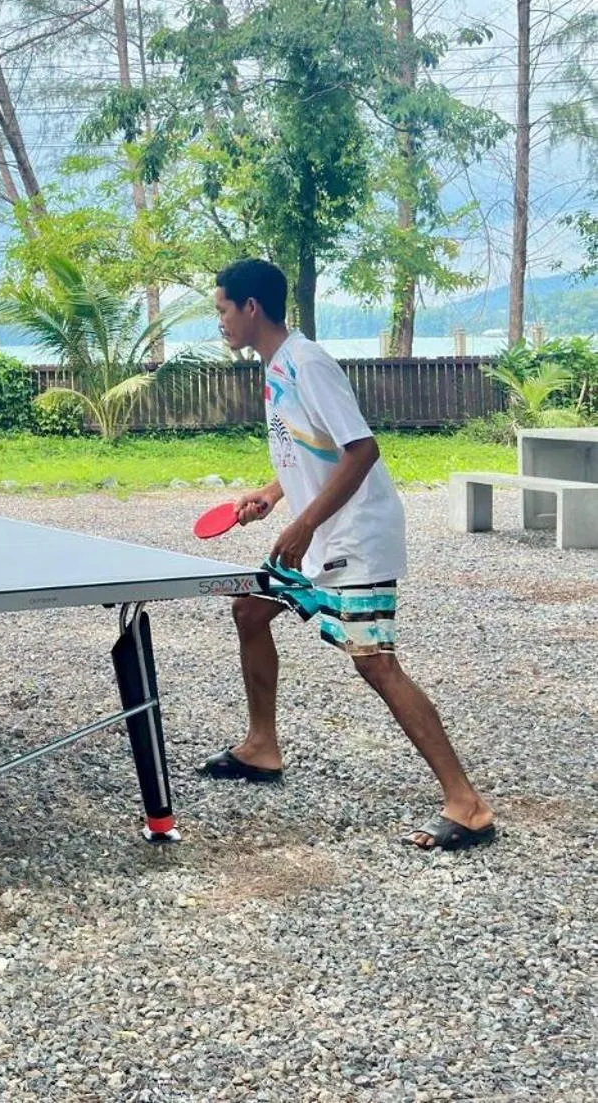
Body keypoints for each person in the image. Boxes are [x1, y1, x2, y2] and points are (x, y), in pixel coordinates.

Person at [201, 257, 496, 851]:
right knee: (251, 609)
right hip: (321, 537)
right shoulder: (277, 366)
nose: (221, 323)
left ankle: (468, 805)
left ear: (251, 308)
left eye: (223, 310)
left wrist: (305, 523)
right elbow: (316, 448)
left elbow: (361, 450)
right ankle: (262, 746)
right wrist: (273, 490)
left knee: (375, 661)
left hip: (355, 537)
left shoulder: (307, 364)